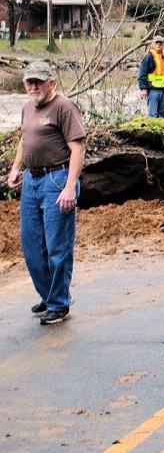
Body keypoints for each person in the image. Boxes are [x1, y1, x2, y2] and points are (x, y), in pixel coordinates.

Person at [6, 60, 86, 326]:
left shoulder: (64, 107)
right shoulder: (28, 108)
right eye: (30, 81)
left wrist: (69, 187)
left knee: (57, 246)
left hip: (57, 178)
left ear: (52, 82)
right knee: (32, 245)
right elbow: (24, 140)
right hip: (31, 180)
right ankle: (48, 294)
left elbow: (77, 148)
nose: (34, 86)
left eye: (39, 81)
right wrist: (16, 169)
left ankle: (59, 303)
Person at [138, 35, 164, 118]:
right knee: (152, 115)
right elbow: (142, 74)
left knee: (163, 115)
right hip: (153, 90)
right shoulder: (149, 57)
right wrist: (143, 89)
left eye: (161, 43)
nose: (159, 45)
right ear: (153, 45)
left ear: (163, 45)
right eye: (157, 43)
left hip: (163, 90)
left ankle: (161, 131)